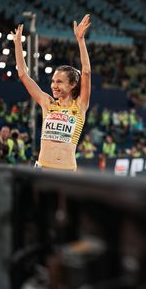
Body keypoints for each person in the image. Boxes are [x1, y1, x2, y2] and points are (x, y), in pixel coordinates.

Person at [13, 14, 92, 171]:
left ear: (73, 85)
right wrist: (17, 44)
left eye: (59, 82)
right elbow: (22, 74)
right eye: (53, 81)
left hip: (66, 171)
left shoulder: (80, 105)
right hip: (42, 169)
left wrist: (80, 40)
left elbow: (87, 71)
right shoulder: (47, 103)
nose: (54, 86)